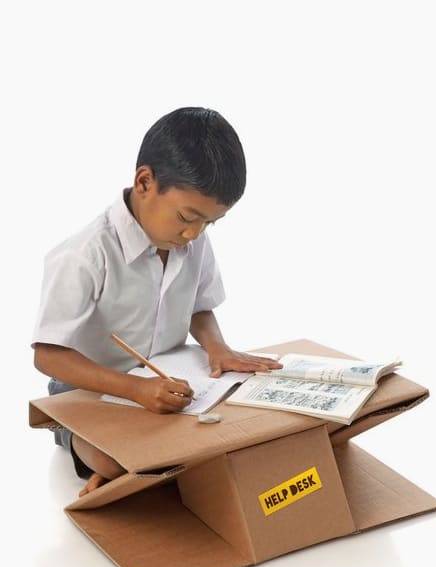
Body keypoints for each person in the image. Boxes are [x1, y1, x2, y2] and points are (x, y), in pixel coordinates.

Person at [32, 107, 281, 496]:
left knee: (233, 429)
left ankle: (137, 465)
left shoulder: (191, 240)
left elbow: (200, 305)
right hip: (89, 390)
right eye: (187, 216)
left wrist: (217, 348)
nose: (194, 234)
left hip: (170, 377)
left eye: (209, 224)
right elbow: (48, 355)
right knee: (117, 460)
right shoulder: (84, 254)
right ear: (145, 182)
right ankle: (85, 446)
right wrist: (134, 390)